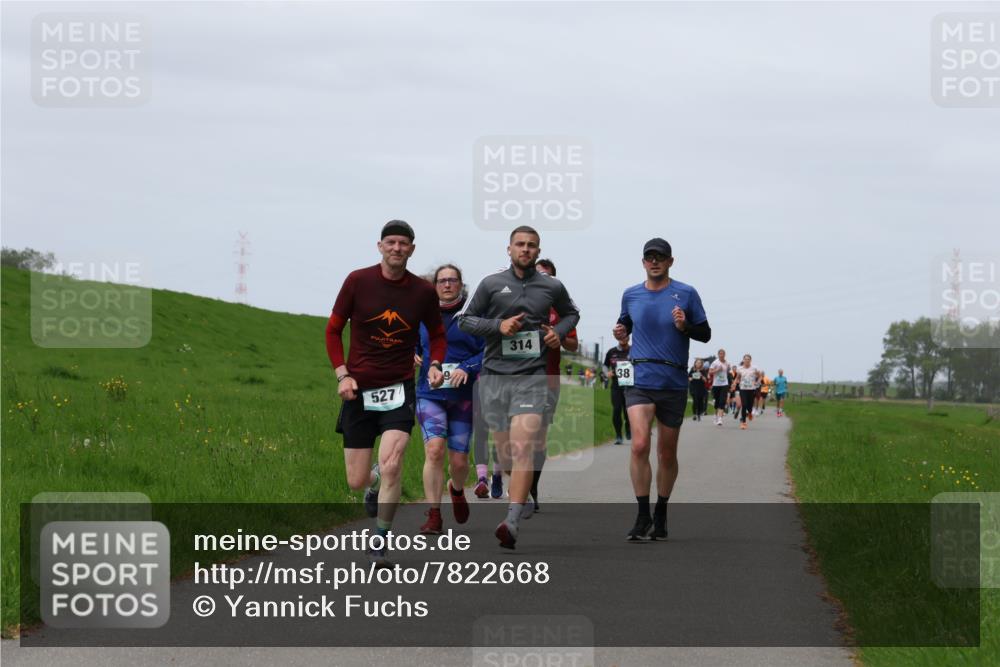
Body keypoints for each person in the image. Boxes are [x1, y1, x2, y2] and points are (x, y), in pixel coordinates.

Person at [325, 220, 445, 566]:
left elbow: (437, 333)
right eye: (390, 242)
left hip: (399, 388)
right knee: (356, 479)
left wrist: (435, 363)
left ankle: (379, 540)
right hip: (359, 389)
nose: (397, 248)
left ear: (412, 249)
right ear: (379, 246)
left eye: (403, 243)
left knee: (394, 463)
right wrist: (342, 375)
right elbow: (333, 331)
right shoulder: (357, 281)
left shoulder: (422, 291)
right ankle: (371, 484)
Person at [459, 226, 580, 549]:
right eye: (520, 245)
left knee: (524, 446)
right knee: (507, 456)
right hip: (496, 377)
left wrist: (557, 332)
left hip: (532, 377)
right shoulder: (491, 284)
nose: (525, 250)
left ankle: (510, 522)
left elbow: (572, 313)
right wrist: (498, 326)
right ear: (509, 249)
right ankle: (519, 494)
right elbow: (466, 320)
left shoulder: (551, 286)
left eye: (531, 246)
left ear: (538, 252)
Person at [613, 238, 711, 541]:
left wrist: (685, 328)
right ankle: (642, 516)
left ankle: (662, 511)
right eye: (649, 257)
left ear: (670, 261)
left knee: (666, 453)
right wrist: (620, 331)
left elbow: (705, 334)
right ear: (643, 262)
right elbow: (624, 324)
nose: (654, 261)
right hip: (640, 376)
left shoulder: (686, 294)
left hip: (673, 381)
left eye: (660, 257)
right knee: (640, 444)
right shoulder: (631, 294)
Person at [415, 265, 485, 534]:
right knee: (434, 450)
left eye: (452, 280)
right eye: (441, 281)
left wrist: (465, 368)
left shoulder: (472, 316)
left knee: (458, 462)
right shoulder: (422, 315)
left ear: (460, 284)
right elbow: (409, 341)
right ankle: (434, 514)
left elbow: (487, 351)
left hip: (462, 398)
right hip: (428, 393)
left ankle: (456, 490)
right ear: (434, 286)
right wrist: (412, 353)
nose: (446, 285)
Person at [532, 258, 579, 512]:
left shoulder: (560, 310)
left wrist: (557, 335)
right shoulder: (517, 302)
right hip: (516, 376)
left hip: (548, 377)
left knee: (538, 438)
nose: (542, 279)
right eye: (539, 274)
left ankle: (531, 488)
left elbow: (574, 345)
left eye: (548, 277)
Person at [603, 337, 632, 444]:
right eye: (621, 337)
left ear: (628, 338)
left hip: (630, 385)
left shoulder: (634, 350)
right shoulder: (611, 352)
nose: (623, 339)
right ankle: (618, 435)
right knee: (616, 410)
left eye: (625, 337)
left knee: (628, 410)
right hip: (616, 386)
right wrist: (607, 373)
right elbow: (605, 366)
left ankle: (629, 429)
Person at [732, 354, 763, 430]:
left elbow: (760, 376)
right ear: (743, 360)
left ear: (750, 360)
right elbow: (737, 378)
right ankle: (744, 423)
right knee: (744, 404)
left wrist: (757, 382)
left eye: (748, 359)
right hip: (743, 389)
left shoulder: (754, 368)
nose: (747, 360)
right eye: (745, 359)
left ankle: (749, 413)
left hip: (751, 389)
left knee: (749, 406)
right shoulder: (740, 369)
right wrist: (734, 383)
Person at [708, 349, 730, 426]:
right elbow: (710, 372)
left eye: (723, 353)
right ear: (718, 354)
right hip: (716, 384)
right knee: (717, 402)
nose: (722, 355)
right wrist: (717, 370)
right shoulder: (715, 362)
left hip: (724, 384)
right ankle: (715, 416)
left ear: (725, 354)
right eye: (720, 353)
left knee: (722, 401)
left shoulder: (727, 363)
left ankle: (720, 419)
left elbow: (726, 373)